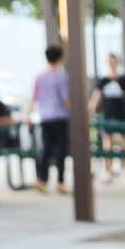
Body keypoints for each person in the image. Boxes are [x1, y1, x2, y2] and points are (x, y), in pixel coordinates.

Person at [31, 45, 73, 195]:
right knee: (61, 150)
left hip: (45, 117)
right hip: (60, 117)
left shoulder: (39, 76)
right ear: (60, 58)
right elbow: (65, 99)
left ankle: (41, 180)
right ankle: (60, 182)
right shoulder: (62, 77)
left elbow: (34, 98)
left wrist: (29, 115)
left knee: (46, 149)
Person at [91, 52, 125, 180]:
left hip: (122, 116)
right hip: (108, 116)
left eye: (114, 62)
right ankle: (108, 170)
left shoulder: (124, 80)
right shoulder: (103, 81)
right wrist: (92, 110)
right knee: (107, 143)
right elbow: (95, 99)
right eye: (110, 62)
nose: (112, 64)